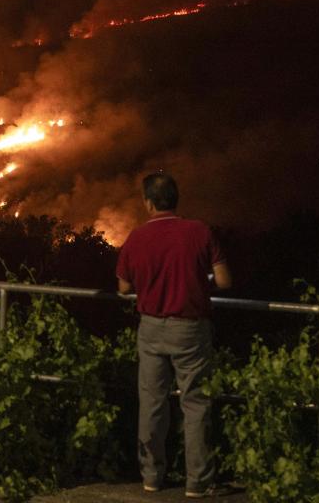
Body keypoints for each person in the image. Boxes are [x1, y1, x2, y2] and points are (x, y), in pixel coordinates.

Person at [115, 172, 233, 499]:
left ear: (148, 202)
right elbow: (224, 281)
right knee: (195, 405)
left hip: (151, 326)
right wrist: (200, 278)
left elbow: (123, 286)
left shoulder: (136, 238)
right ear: (176, 199)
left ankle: (152, 477)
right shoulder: (200, 231)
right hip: (191, 329)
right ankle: (198, 482)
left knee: (152, 404)